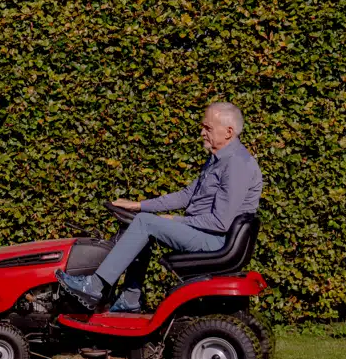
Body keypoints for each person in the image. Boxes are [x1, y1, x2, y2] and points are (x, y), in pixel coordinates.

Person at [56, 102, 263, 313]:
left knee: (146, 223)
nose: (202, 133)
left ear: (228, 132)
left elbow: (220, 222)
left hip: (216, 240)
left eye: (207, 128)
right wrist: (138, 205)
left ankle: (94, 286)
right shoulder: (217, 160)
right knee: (139, 223)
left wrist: (175, 220)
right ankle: (130, 299)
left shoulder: (236, 164)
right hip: (204, 233)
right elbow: (186, 195)